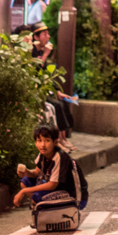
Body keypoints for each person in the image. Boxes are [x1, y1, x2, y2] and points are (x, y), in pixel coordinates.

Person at [13, 124, 86, 210]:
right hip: (57, 191)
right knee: (25, 181)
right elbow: (37, 172)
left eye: (47, 140)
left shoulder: (60, 157)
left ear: (55, 142)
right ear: (35, 142)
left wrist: (24, 191)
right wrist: (27, 172)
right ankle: (44, 210)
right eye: (39, 140)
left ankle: (44, 209)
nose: (42, 145)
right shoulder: (43, 154)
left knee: (37, 197)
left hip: (75, 196)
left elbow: (52, 185)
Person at [30, 22, 76, 150]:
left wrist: (57, 91)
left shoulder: (41, 51)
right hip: (35, 92)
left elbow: (47, 74)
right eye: (45, 34)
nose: (48, 37)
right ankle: (59, 141)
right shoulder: (32, 52)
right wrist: (45, 55)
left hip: (44, 90)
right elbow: (35, 72)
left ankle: (63, 138)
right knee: (56, 105)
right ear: (36, 37)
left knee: (63, 102)